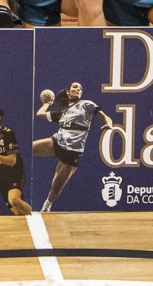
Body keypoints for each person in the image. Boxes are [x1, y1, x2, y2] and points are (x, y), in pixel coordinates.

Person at [33, 82, 114, 212]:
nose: (78, 89)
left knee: (56, 186)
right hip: (57, 142)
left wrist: (109, 124)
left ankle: (46, 206)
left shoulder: (86, 104)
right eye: (75, 87)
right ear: (68, 91)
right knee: (29, 148)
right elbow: (39, 114)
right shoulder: (62, 111)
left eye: (80, 88)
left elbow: (105, 117)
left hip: (72, 152)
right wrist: (47, 103)